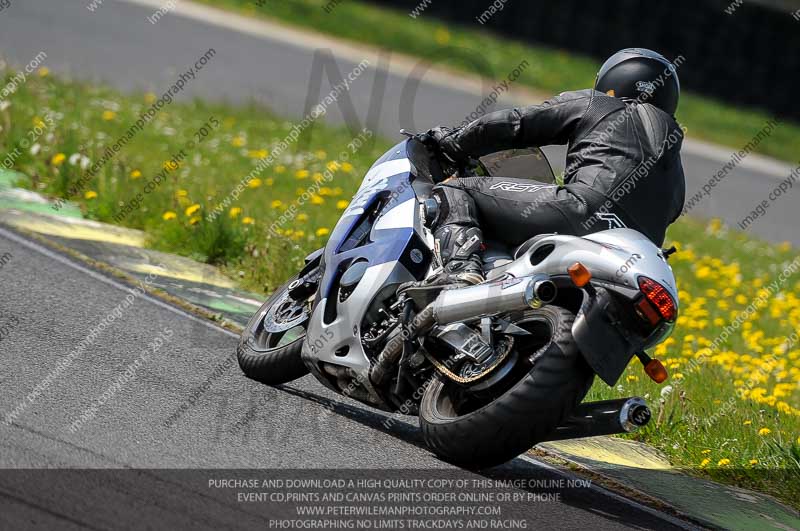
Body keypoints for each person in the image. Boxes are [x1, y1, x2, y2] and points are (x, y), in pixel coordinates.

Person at [420, 48, 686, 287]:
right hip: (636, 253)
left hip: (581, 209)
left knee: (456, 190)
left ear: (612, 82)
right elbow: (671, 210)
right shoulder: (674, 155)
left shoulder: (599, 103)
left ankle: (460, 271)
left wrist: (453, 142)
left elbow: (516, 123)